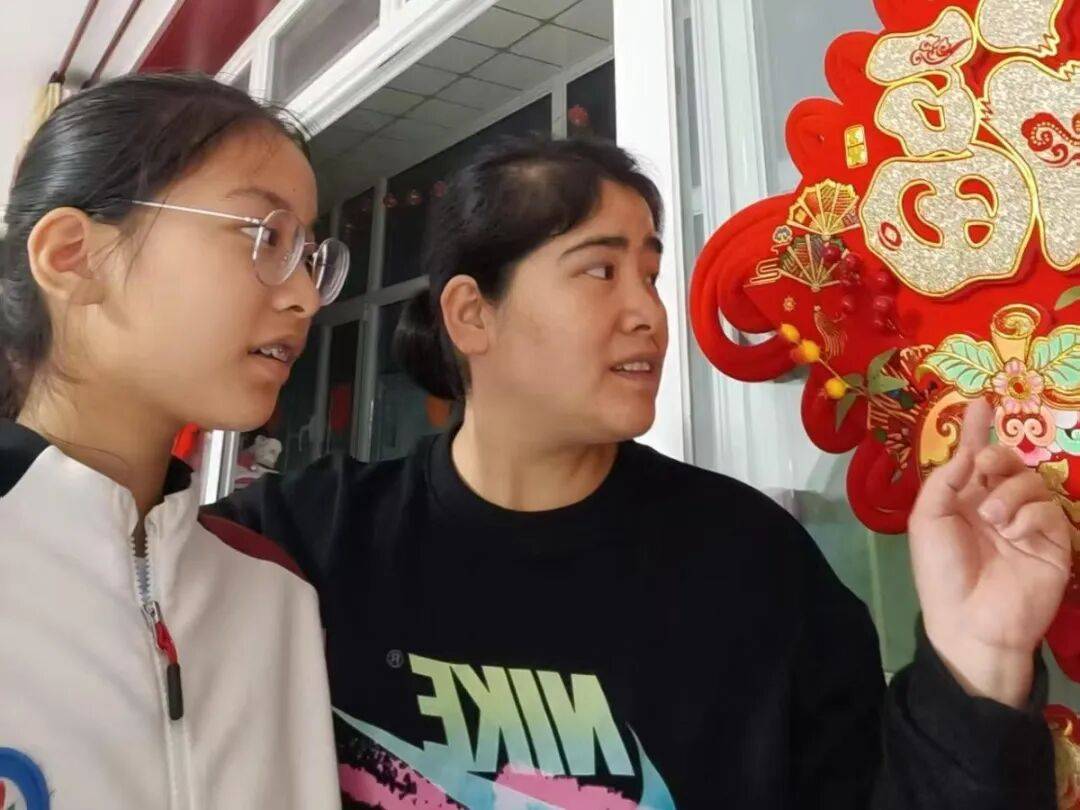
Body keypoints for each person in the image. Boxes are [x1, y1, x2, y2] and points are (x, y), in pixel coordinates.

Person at [211, 136, 1072, 808]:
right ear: (472, 314)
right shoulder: (303, 544)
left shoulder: (753, 565)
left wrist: (980, 664)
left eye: (651, 274)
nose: (648, 314)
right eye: (600, 270)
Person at [0, 73, 349, 809]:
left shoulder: (274, 598)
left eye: (309, 254)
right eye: (264, 235)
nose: (305, 297)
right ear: (74, 256)